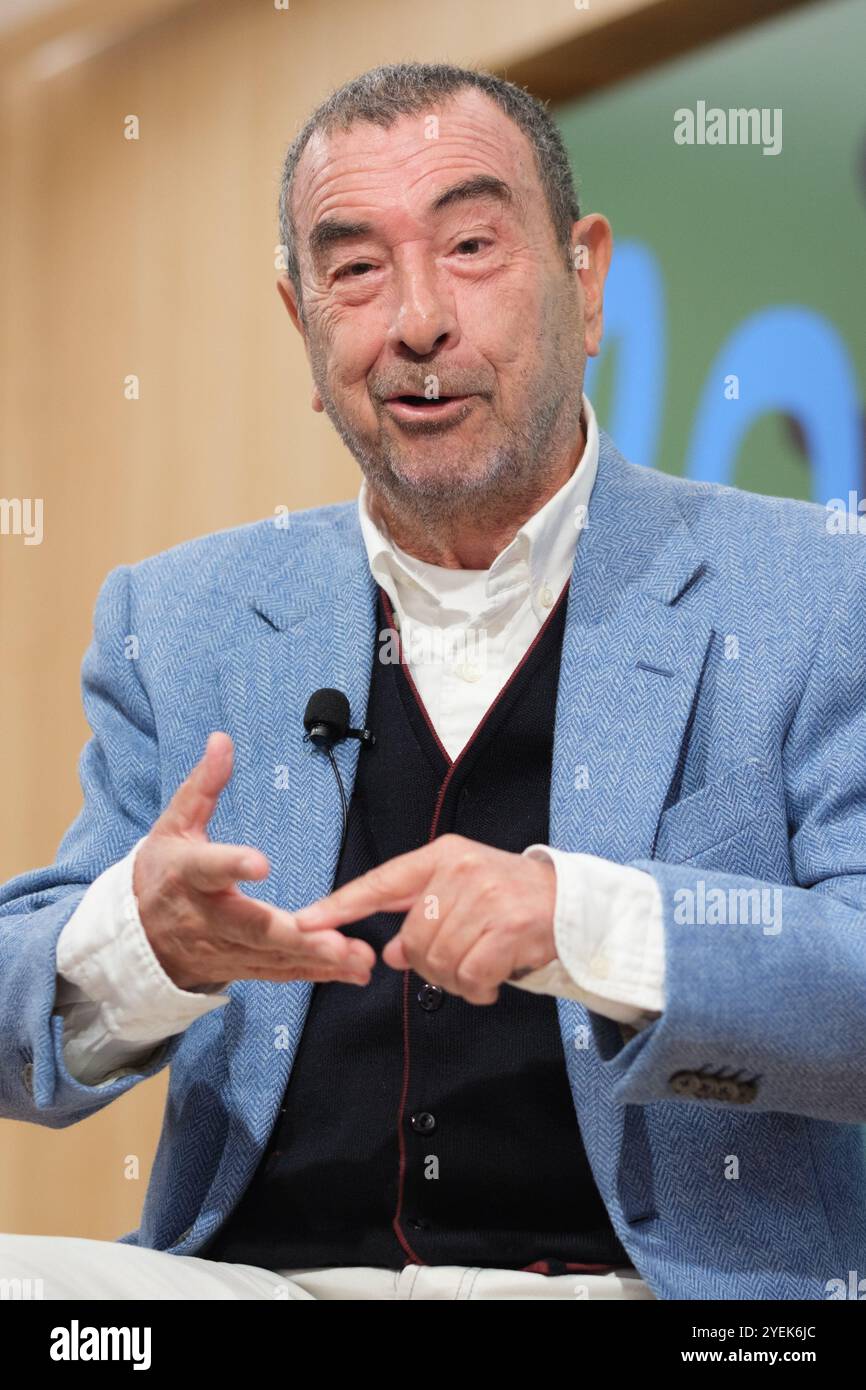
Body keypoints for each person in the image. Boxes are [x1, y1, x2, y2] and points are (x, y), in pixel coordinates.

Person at [1, 61, 865, 1302]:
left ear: (586, 279)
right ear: (303, 330)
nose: (416, 321)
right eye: (355, 269)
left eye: (469, 245)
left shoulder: (805, 589)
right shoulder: (180, 618)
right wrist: (139, 945)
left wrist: (581, 920)